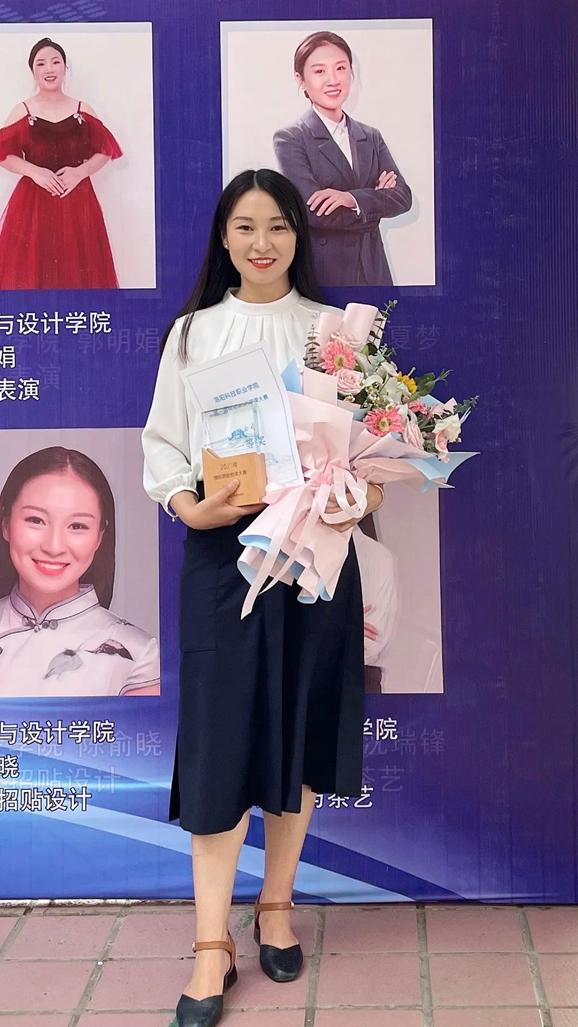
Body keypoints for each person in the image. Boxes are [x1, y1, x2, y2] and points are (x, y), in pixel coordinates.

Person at [142, 168, 386, 1027]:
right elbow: (163, 445)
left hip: (318, 555)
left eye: (278, 226)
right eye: (245, 226)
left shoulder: (335, 333)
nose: (262, 242)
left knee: (302, 729)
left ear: (298, 235)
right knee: (221, 743)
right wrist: (190, 505)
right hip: (224, 558)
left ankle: (275, 904)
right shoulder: (193, 333)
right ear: (223, 236)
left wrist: (360, 493)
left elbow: (373, 454)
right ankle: (211, 942)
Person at [0, 447, 159, 697]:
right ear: (6, 524)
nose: (54, 547)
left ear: (99, 537)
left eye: (77, 526)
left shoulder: (139, 654)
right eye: (36, 520)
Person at [273, 30, 412, 287]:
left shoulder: (370, 136)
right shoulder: (291, 138)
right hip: (326, 275)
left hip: (374, 271)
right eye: (319, 71)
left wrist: (351, 199)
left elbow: (403, 198)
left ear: (351, 72)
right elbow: (314, 214)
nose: (333, 80)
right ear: (300, 79)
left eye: (340, 68)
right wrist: (375, 201)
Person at [0, 37, 122, 289]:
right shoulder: (23, 110)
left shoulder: (82, 109)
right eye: (41, 63)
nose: (49, 68)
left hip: (77, 200)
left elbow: (106, 150)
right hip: (32, 204)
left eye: (55, 62)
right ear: (32, 71)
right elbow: (3, 153)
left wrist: (80, 172)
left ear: (65, 68)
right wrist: (34, 172)